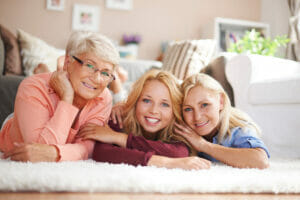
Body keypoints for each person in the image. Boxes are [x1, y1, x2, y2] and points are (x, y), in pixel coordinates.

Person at [0, 31, 119, 162]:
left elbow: (86, 148)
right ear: (68, 62)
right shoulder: (32, 86)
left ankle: (48, 72)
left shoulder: (103, 97)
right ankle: (46, 73)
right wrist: (67, 98)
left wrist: (55, 153)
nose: (97, 79)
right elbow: (39, 152)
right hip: (17, 124)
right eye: (90, 65)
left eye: (106, 73)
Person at [78, 69, 211, 170]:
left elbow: (178, 152)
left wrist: (118, 138)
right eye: (146, 100)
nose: (153, 110)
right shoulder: (119, 117)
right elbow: (102, 153)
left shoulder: (178, 127)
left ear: (174, 110)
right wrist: (166, 162)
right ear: (136, 101)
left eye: (165, 104)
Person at [174, 73, 270, 169]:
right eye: (188, 109)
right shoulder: (183, 130)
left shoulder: (237, 130)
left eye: (204, 105)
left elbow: (261, 161)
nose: (197, 117)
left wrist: (202, 145)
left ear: (221, 102)